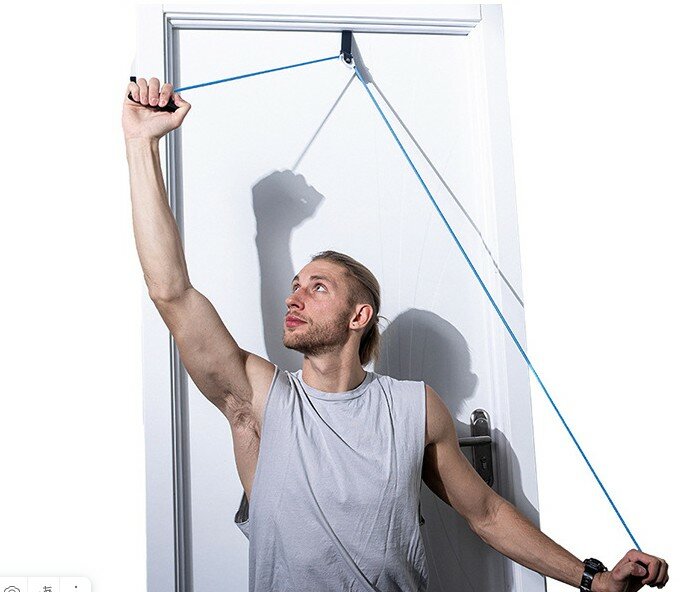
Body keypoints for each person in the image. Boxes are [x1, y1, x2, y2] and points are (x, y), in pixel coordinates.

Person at [122, 77, 669, 592]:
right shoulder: (260, 399)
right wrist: (142, 145)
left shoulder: (414, 408)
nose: (293, 297)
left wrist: (592, 578)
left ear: (359, 316)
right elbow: (172, 293)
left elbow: (486, 513)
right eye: (294, 285)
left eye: (317, 287)